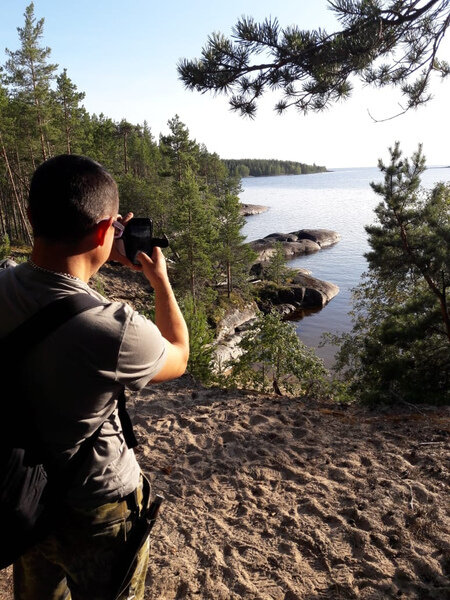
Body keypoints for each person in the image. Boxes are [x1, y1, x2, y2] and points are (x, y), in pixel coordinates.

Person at [0, 154, 189, 600]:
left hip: (23, 498)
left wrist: (97, 252)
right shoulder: (115, 330)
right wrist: (159, 280)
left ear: (30, 216)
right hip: (98, 507)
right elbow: (179, 354)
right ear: (105, 231)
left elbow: (58, 295)